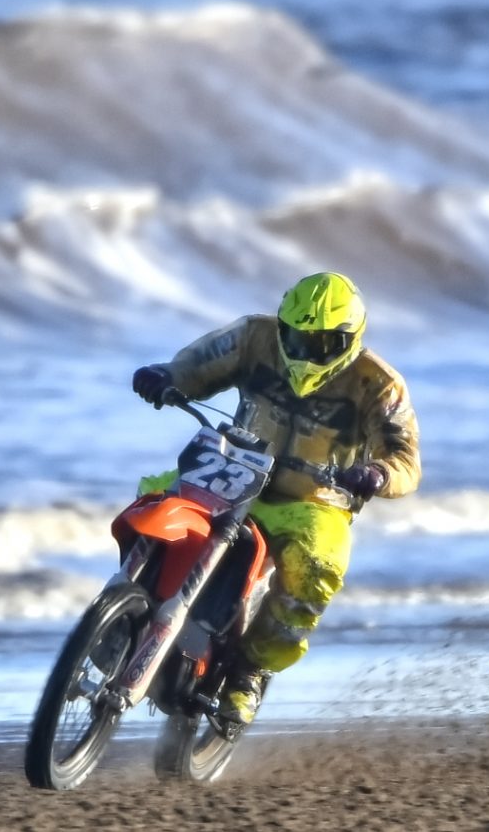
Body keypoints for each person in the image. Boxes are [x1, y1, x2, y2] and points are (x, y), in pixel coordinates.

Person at [130, 271, 420, 728]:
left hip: (314, 502)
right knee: (152, 495)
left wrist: (377, 473)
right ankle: (131, 602)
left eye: (322, 343)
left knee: (317, 567)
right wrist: (165, 376)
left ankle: (250, 671)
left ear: (349, 339)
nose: (305, 351)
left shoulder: (379, 385)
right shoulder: (253, 337)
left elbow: (405, 460)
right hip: (233, 470)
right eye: (297, 337)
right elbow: (196, 366)